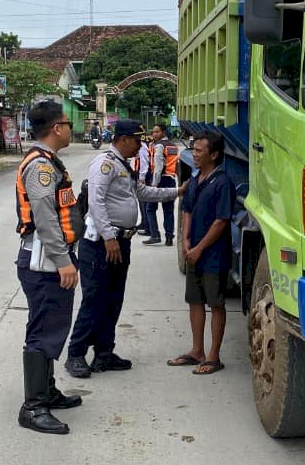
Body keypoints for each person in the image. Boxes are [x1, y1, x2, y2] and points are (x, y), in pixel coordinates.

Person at [64, 120, 186, 377]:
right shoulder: (104, 164)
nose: (140, 145)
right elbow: (95, 202)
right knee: (94, 299)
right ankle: (75, 353)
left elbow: (142, 191)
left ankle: (104, 353)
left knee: (113, 300)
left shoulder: (124, 165)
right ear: (123, 139)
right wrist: (108, 237)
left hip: (121, 242)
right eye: (137, 140)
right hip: (100, 244)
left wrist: (177, 192)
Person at [14, 99, 83, 436]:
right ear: (57, 128)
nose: (71, 128)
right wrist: (63, 262)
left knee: (52, 326)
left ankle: (47, 390)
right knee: (44, 330)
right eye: (68, 123)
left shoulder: (49, 162)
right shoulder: (40, 166)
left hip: (48, 260)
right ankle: (34, 406)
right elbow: (45, 218)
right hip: (45, 262)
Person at [167, 130, 236, 375]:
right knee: (194, 300)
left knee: (215, 303)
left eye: (198, 151)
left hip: (213, 254)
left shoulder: (223, 183)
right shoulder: (195, 179)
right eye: (194, 149)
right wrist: (185, 240)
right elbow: (186, 210)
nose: (193, 154)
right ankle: (197, 351)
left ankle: (214, 356)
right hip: (193, 251)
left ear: (214, 155)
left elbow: (221, 221)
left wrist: (199, 248)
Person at [143, 122, 180, 246]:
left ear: (163, 132)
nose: (154, 134)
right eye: (153, 132)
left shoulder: (159, 146)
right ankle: (169, 238)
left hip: (159, 180)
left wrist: (154, 184)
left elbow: (158, 167)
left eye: (157, 131)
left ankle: (155, 235)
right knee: (168, 210)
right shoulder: (173, 146)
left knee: (150, 208)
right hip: (170, 180)